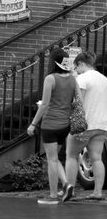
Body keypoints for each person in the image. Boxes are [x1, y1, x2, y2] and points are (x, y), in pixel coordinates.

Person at [26, 47, 77, 204]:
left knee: (52, 160)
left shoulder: (51, 78)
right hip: (65, 125)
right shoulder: (72, 79)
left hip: (50, 124)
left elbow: (45, 105)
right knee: (56, 159)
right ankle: (68, 185)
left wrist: (33, 124)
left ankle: (53, 196)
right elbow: (74, 102)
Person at [62, 50, 107, 201]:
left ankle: (70, 190)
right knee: (96, 158)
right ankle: (97, 192)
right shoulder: (104, 79)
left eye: (76, 68)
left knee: (71, 155)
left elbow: (77, 102)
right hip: (101, 125)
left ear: (81, 64)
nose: (76, 71)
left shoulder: (82, 78)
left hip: (84, 125)